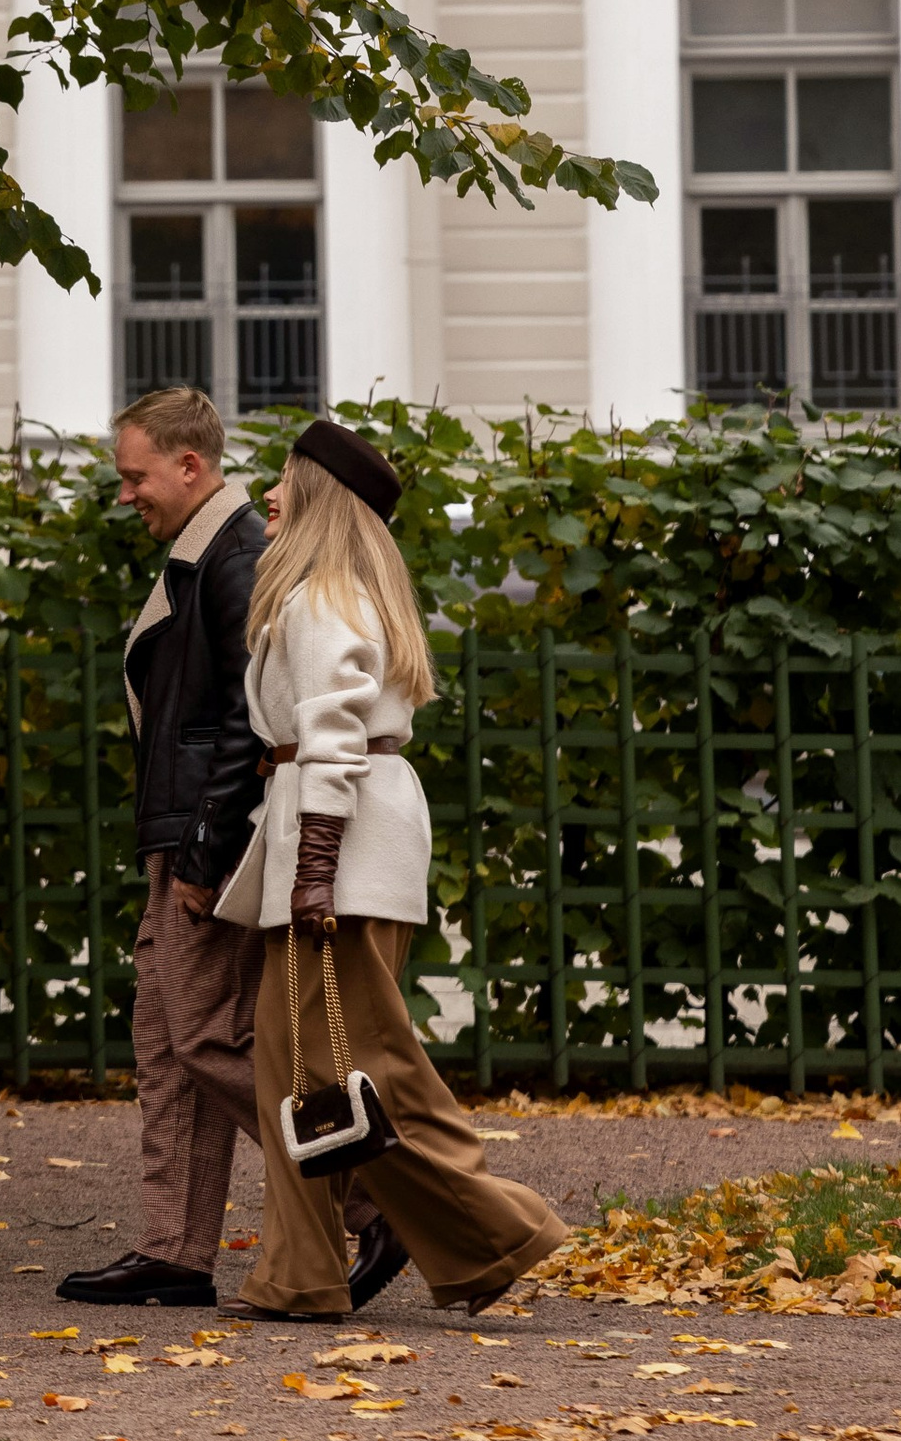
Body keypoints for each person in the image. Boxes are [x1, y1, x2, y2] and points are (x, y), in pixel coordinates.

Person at [56, 386, 405, 1313]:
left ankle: (381, 1196)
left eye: (135, 476)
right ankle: (175, 1249)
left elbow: (245, 729)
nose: (125, 493)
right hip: (184, 834)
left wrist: (207, 859)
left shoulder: (236, 555)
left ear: (188, 465)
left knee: (208, 1034)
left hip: (209, 840)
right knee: (166, 1040)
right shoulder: (201, 554)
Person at [216, 414, 569, 1320]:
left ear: (318, 495)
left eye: (284, 480)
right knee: (305, 1073)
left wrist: (316, 868)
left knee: (364, 1064)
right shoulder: (348, 590)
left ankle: (501, 1227)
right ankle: (300, 1274)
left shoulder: (321, 594)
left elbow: (330, 736)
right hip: (355, 834)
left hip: (339, 841)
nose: (268, 495)